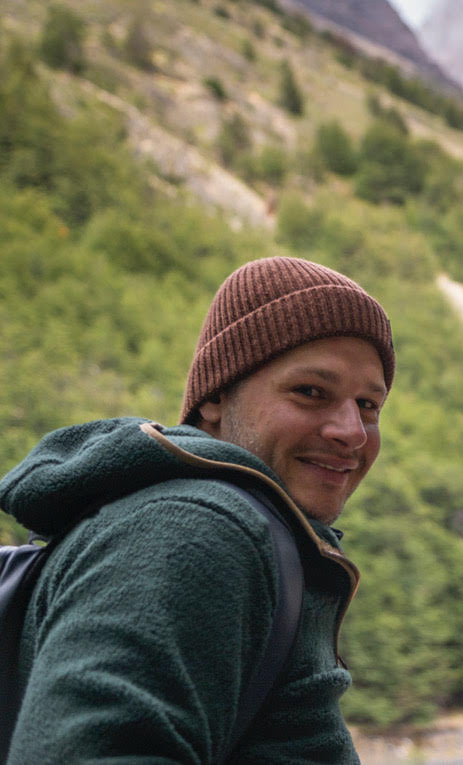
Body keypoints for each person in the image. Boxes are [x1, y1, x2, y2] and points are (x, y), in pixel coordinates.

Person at [0, 256, 394, 762]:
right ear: (216, 397)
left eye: (368, 405)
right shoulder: (201, 527)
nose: (351, 432)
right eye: (310, 392)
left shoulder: (251, 533)